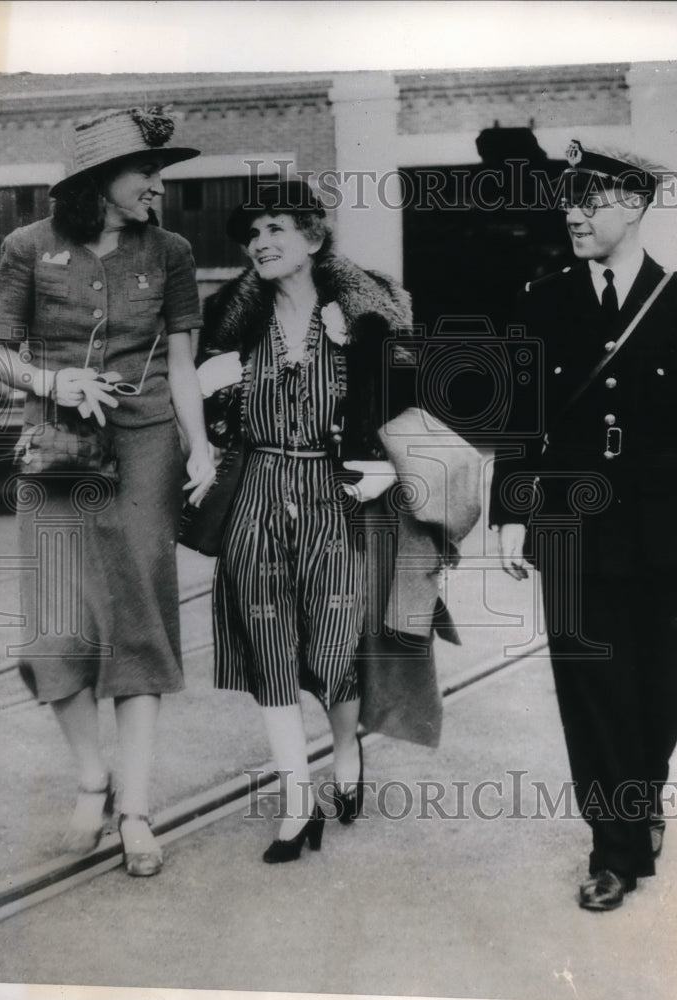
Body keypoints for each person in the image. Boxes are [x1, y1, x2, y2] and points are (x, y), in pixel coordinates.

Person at [489, 140, 677, 910]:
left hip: (670, 521)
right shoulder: (542, 300)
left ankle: (643, 790)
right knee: (590, 687)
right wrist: (509, 512)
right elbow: (518, 418)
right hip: (571, 520)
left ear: (632, 207)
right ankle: (615, 846)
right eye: (567, 199)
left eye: (589, 200)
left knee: (664, 679)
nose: (571, 213)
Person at [0, 106, 216, 876]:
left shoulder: (173, 251)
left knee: (138, 624)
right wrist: (56, 379)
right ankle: (93, 775)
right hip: (56, 449)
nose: (158, 185)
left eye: (159, 173)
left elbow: (183, 362)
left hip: (146, 444)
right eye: (145, 173)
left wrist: (202, 445)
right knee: (54, 628)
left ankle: (137, 810)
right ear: (99, 182)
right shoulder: (26, 246)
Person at [196, 179, 418, 862]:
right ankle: (297, 803)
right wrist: (211, 412)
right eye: (252, 234)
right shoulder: (231, 321)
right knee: (267, 645)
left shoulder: (364, 316)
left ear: (313, 238)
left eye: (275, 230)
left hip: (335, 493)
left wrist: (385, 462)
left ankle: (344, 750)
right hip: (256, 491)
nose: (260, 243)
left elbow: (411, 400)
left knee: (335, 647)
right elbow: (201, 400)